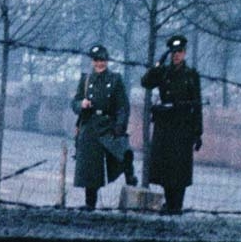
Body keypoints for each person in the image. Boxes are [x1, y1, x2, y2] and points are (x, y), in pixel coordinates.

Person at [141, 35, 203, 215]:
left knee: (180, 170)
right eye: (173, 52)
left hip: (183, 128)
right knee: (167, 169)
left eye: (180, 52)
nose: (176, 55)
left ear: (185, 53)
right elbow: (146, 83)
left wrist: (198, 132)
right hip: (165, 127)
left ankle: (177, 206)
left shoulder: (191, 76)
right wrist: (158, 65)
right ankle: (169, 204)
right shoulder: (164, 73)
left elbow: (197, 106)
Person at [71, 44, 138, 211]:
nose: (99, 63)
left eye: (102, 60)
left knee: (122, 153)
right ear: (92, 61)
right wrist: (82, 104)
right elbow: (74, 102)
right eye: (96, 60)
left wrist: (119, 126)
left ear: (107, 61)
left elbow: (123, 106)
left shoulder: (115, 80)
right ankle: (90, 203)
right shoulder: (86, 80)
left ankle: (130, 176)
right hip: (89, 125)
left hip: (108, 125)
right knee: (89, 167)